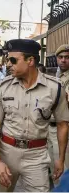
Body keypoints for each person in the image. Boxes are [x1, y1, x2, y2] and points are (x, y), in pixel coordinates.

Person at [0, 39, 69, 192]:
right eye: (7, 60)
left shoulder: (54, 88)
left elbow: (62, 124)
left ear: (30, 60)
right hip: (7, 152)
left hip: (37, 156)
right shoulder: (4, 87)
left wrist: (60, 159)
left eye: (13, 60)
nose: (8, 64)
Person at [48, 45, 69, 178]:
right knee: (54, 168)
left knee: (63, 169)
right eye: (60, 57)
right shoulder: (56, 75)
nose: (63, 60)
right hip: (50, 128)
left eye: (67, 57)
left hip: (64, 128)